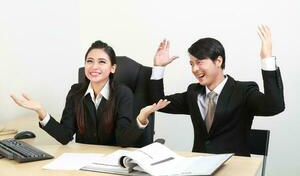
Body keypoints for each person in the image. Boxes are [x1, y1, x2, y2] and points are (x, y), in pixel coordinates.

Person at [146, 25, 285, 156]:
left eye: (199, 62)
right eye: (191, 64)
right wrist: (159, 67)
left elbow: (275, 106)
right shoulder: (193, 93)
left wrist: (266, 59)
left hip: (235, 168)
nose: (194, 69)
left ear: (218, 61)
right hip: (199, 166)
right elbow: (157, 103)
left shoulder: (243, 91)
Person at [11, 41, 169, 147]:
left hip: (114, 165)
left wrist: (141, 118)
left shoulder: (123, 93)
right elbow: (65, 136)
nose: (94, 67)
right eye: (89, 61)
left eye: (102, 62)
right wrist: (41, 111)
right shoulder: (76, 92)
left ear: (113, 68)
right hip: (82, 163)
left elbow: (123, 140)